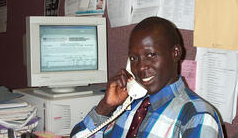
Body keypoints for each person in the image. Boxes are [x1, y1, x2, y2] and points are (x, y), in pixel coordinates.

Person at [70, 17, 224, 138]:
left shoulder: (196, 116)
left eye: (151, 55)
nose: (141, 67)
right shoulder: (127, 106)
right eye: (134, 58)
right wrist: (105, 107)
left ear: (175, 53)